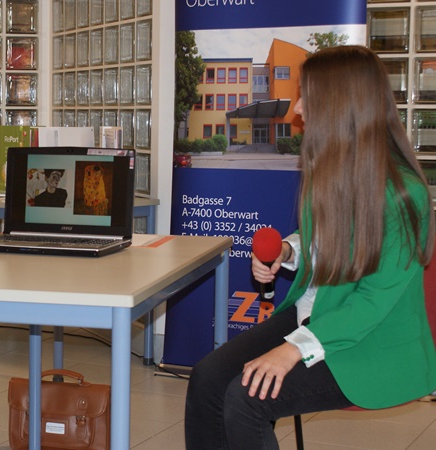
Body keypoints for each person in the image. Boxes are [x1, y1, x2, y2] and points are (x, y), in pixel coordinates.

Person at [184, 45, 436, 450]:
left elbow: (371, 302)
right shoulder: (334, 166)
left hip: (367, 340)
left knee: (246, 399)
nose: (298, 109)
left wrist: (291, 350)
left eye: (307, 97)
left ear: (342, 106)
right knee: (208, 378)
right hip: (316, 315)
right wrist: (287, 251)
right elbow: (325, 239)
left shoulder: (405, 196)